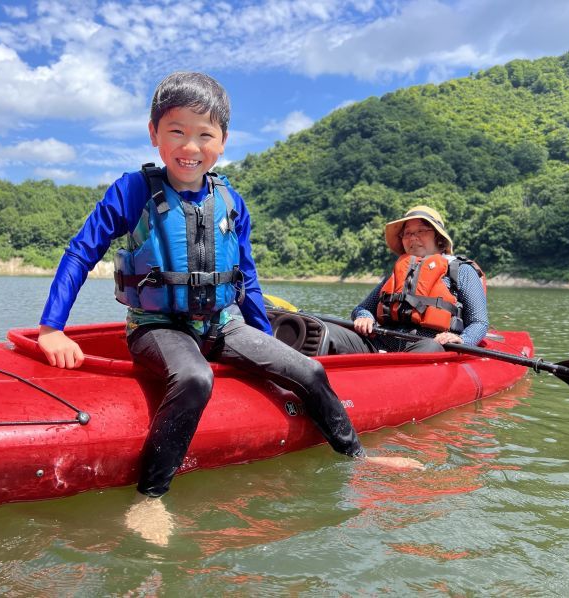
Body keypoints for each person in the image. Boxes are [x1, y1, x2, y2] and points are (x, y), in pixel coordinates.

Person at [36, 72, 422, 546]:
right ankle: (149, 498)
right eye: (176, 131)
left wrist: (263, 340)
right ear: (155, 133)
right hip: (158, 326)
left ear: (223, 142)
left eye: (205, 134)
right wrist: (52, 327)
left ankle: (357, 457)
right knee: (196, 378)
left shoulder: (231, 201)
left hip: (223, 324)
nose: (190, 146)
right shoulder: (132, 191)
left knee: (310, 372)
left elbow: (247, 279)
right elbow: (81, 251)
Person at [327, 205, 489, 355]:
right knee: (327, 331)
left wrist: (463, 340)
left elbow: (479, 322)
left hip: (429, 346)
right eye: (408, 233)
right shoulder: (398, 273)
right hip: (380, 344)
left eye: (421, 231)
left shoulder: (461, 271)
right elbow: (362, 308)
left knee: (431, 347)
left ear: (439, 237)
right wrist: (364, 317)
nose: (413, 238)